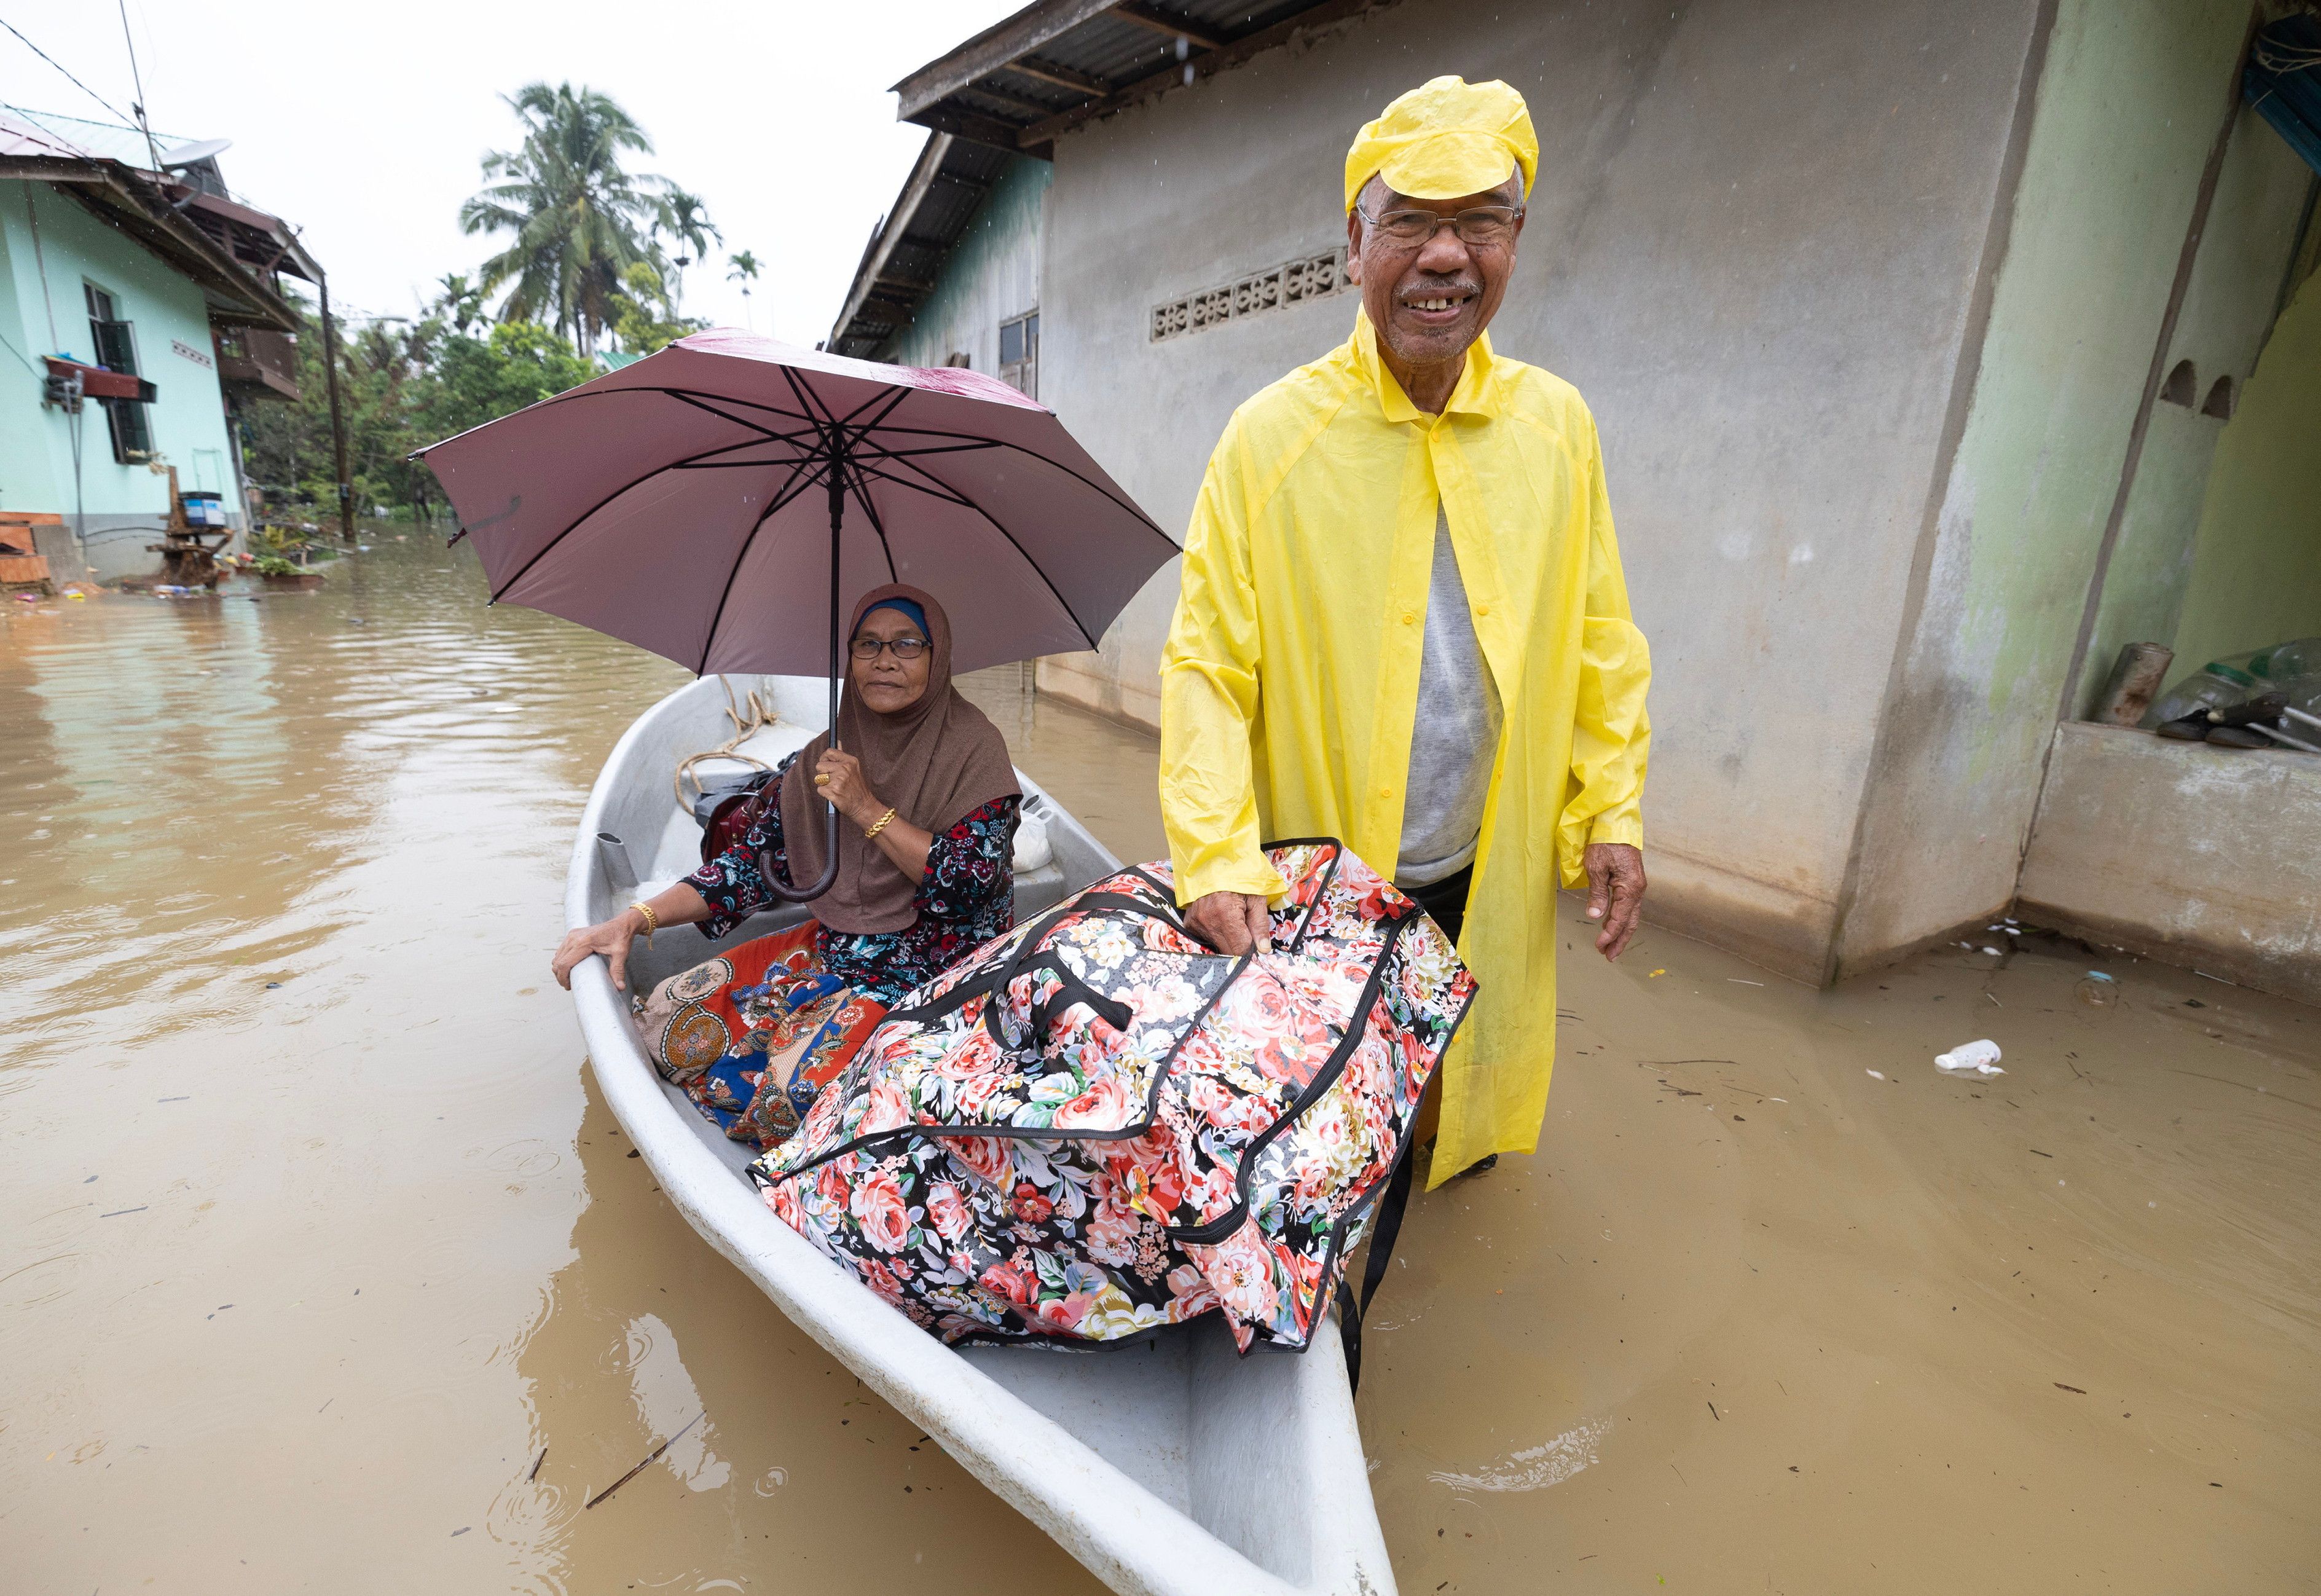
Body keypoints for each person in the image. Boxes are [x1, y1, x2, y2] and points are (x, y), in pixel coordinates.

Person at [1159, 77, 1652, 1188]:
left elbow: (1598, 634)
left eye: (1480, 222)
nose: (1446, 257)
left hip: (1489, 856)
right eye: (1413, 223)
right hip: (1322, 867)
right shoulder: (1269, 439)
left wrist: (1608, 810)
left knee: (1453, 1094)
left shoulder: (1555, 427)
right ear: (1354, 242)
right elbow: (1205, 667)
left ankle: (1438, 1157)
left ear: (1515, 244)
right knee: (1318, 1122)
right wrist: (1213, 851)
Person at [553, 584, 1021, 1144]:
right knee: (668, 1023)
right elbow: (746, 866)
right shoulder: (825, 755)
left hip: (936, 972)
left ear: (936, 655)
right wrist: (634, 918)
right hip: (839, 947)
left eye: (907, 644)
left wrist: (865, 806)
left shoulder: (976, 750)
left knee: (787, 1099)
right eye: (867, 645)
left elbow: (966, 886)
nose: (885, 661)